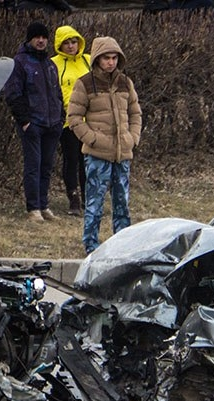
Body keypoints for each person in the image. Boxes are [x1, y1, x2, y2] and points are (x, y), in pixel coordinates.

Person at [67, 36, 142, 254]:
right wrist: (92, 139)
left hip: (123, 151)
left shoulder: (126, 83)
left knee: (122, 201)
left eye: (114, 58)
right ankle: (90, 244)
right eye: (106, 58)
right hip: (98, 153)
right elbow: (74, 118)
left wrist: (132, 138)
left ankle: (122, 242)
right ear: (97, 59)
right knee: (94, 202)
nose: (111, 62)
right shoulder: (84, 83)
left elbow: (135, 113)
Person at [5, 21, 64, 224]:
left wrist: (60, 117)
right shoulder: (20, 63)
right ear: (29, 39)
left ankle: (44, 204)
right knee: (33, 165)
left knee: (46, 166)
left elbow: (57, 93)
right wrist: (24, 121)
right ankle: (33, 208)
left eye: (43, 37)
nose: (40, 41)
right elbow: (13, 94)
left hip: (52, 122)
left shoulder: (50, 64)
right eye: (36, 37)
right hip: (33, 123)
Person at [51, 24, 90, 216]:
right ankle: (73, 198)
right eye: (66, 43)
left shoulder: (88, 60)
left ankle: (88, 197)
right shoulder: (54, 64)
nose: (71, 46)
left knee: (88, 160)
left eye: (74, 42)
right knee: (71, 159)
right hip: (67, 121)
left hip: (90, 120)